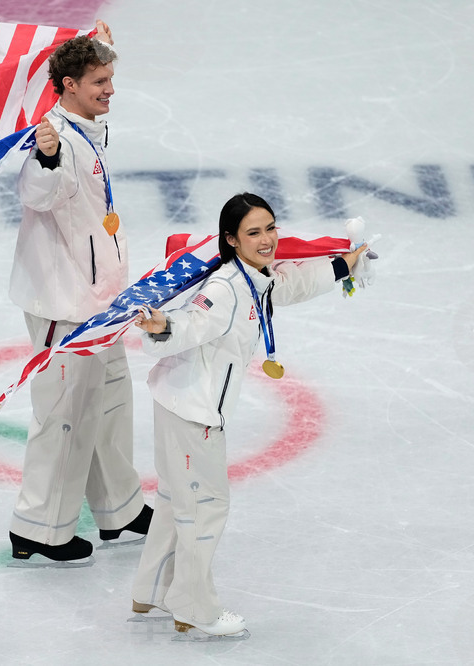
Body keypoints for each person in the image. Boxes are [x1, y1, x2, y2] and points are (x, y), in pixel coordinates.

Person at [130, 193, 370, 636]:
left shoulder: (257, 276)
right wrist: (162, 326)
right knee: (205, 507)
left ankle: (153, 592)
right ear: (231, 240)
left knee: (175, 501)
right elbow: (191, 324)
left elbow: (292, 285)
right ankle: (194, 608)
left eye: (270, 228)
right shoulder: (226, 288)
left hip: (179, 402)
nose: (267, 240)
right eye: (254, 232)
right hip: (193, 412)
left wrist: (344, 265)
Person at [8, 20, 152, 565]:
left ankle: (119, 507)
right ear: (69, 85)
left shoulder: (84, 123)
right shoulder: (57, 138)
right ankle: (38, 527)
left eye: (111, 78)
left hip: (99, 296)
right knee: (64, 412)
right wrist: (44, 156)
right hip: (63, 302)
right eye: (99, 81)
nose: (110, 89)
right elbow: (38, 192)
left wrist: (100, 41)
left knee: (111, 399)